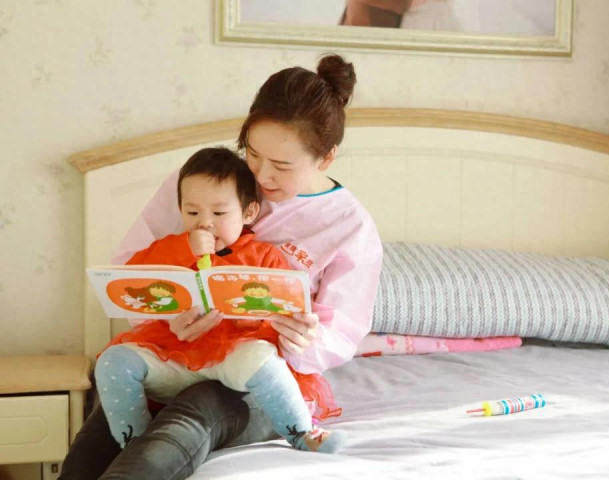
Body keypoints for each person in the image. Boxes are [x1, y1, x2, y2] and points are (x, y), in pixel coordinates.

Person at [59, 53, 382, 479]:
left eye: (282, 166)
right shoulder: (202, 181)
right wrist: (171, 314)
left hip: (261, 373)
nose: (261, 176)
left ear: (326, 158)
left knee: (192, 415)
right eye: (253, 154)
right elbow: (131, 272)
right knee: (100, 432)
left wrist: (304, 338)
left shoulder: (349, 227)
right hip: (176, 351)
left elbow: (341, 333)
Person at [95, 146, 344, 454]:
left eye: (219, 213)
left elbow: (285, 308)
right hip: (172, 357)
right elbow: (133, 279)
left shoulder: (263, 257)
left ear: (248, 212)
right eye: (193, 213)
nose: (205, 223)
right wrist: (184, 249)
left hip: (234, 359)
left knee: (264, 358)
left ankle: (302, 432)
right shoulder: (169, 249)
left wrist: (256, 320)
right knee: (113, 361)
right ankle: (134, 443)